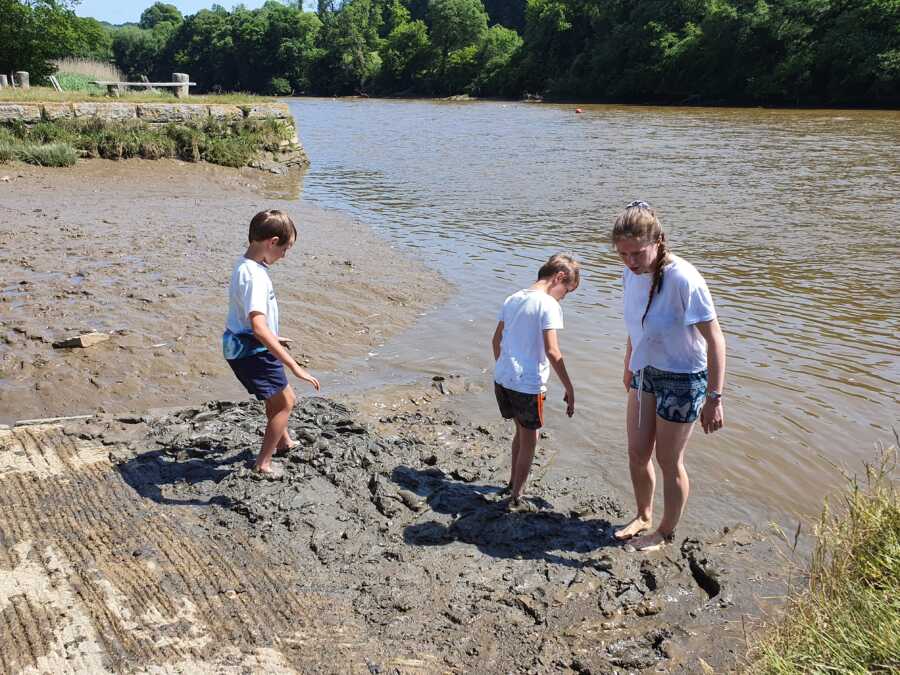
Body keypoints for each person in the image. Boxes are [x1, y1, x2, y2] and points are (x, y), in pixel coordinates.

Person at [611, 200, 726, 551]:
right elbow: (636, 323)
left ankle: (664, 530)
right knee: (636, 451)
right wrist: (630, 362)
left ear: (658, 240)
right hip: (645, 373)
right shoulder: (630, 275)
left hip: (682, 378)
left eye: (637, 253)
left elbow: (716, 340)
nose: (630, 262)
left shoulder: (683, 278)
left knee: (668, 460)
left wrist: (714, 397)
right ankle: (643, 514)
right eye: (623, 254)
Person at [223, 209, 320, 475]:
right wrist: (295, 366)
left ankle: (284, 441)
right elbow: (258, 327)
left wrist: (275, 337)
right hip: (252, 351)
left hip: (244, 346)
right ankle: (263, 463)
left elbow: (245, 318)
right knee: (286, 402)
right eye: (285, 249)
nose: (284, 256)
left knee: (275, 396)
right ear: (272, 242)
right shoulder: (255, 277)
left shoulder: (245, 266)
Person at [492, 254, 578, 510]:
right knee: (531, 440)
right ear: (559, 278)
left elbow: (496, 341)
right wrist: (570, 388)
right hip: (527, 385)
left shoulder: (513, 298)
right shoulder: (548, 304)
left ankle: (511, 482)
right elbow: (553, 352)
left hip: (503, 379)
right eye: (567, 292)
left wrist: (504, 368)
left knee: (520, 431)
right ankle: (517, 495)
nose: (564, 297)